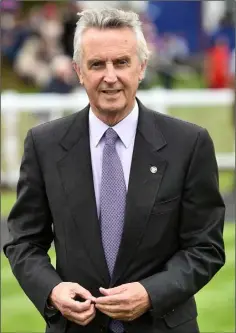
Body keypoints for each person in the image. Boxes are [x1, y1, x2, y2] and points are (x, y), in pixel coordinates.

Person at [4, 8, 225, 333]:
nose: (110, 76)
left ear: (141, 67)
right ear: (79, 71)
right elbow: (23, 241)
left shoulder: (189, 144)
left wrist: (151, 293)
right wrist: (53, 290)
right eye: (97, 64)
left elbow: (206, 247)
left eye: (121, 62)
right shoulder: (44, 144)